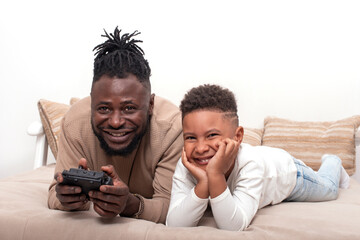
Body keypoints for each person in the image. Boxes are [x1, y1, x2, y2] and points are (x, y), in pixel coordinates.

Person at [165, 84, 350, 231]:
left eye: (212, 135)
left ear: (237, 137)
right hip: (266, 169)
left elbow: (233, 226)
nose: (200, 148)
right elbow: (173, 224)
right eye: (190, 138)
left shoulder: (250, 163)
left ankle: (332, 160)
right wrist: (203, 183)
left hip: (289, 173)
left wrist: (214, 175)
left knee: (330, 189)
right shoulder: (189, 164)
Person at [48, 27, 183, 224]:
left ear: (151, 105)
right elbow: (54, 194)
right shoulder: (75, 122)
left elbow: (170, 207)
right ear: (91, 103)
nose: (116, 122)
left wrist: (130, 205)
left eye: (129, 108)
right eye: (103, 109)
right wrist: (70, 198)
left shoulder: (172, 129)